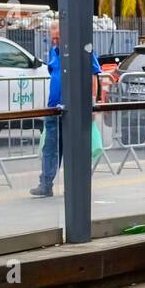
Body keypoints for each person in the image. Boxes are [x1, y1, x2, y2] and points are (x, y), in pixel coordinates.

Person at [31, 21, 102, 198]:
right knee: (50, 148)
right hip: (54, 109)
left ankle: (76, 185)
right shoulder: (54, 53)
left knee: (74, 149)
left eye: (58, 37)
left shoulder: (82, 51)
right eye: (52, 37)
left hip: (74, 110)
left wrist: (91, 103)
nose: (54, 40)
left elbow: (93, 76)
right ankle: (46, 184)